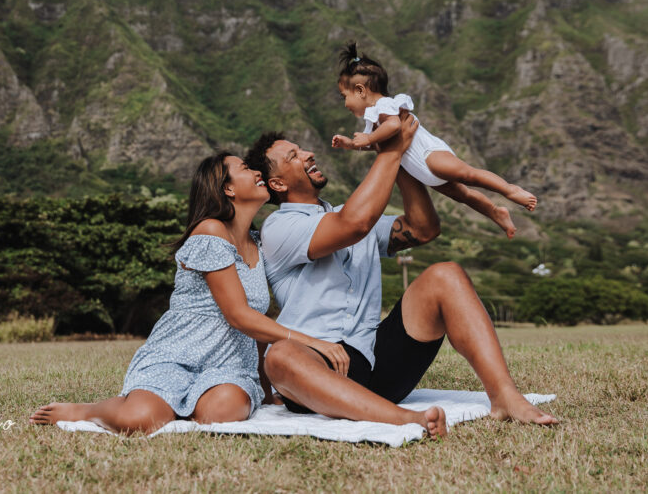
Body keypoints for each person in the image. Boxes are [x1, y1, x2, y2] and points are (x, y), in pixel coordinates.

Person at [29, 152, 444, 437]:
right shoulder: (210, 232)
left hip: (230, 364)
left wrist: (273, 380)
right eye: (245, 169)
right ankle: (89, 410)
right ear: (227, 188)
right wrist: (313, 343)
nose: (256, 172)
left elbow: (261, 325)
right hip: (179, 353)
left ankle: (184, 403)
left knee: (222, 415)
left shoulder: (262, 245)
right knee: (142, 419)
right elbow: (239, 316)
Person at [244, 119, 558, 426]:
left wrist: (404, 156)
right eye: (293, 156)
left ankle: (505, 397)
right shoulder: (279, 227)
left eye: (301, 149)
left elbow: (422, 229)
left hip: (374, 361)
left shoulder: (345, 212)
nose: (307, 154)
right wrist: (390, 152)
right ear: (278, 184)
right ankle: (404, 419)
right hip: (316, 366)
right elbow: (355, 225)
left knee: (445, 275)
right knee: (280, 356)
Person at [330, 42, 535, 239]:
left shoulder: (385, 106)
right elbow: (377, 144)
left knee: (468, 174)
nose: (345, 103)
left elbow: (393, 126)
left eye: (344, 96)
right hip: (421, 170)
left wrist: (368, 137)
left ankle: (510, 190)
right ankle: (495, 212)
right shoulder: (373, 119)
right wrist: (352, 143)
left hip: (429, 155)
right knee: (462, 194)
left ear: (360, 90)